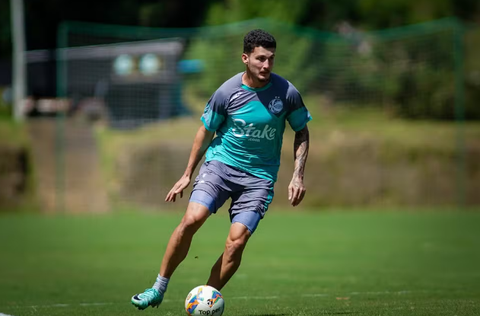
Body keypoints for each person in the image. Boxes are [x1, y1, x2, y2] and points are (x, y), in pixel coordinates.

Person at [131, 29, 311, 310]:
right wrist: (187, 173)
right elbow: (204, 132)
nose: (266, 65)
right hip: (221, 166)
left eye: (271, 59)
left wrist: (297, 175)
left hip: (259, 179)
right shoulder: (226, 92)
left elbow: (302, 131)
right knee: (192, 219)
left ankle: (205, 301)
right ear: (245, 58)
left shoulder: (287, 93)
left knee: (236, 243)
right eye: (260, 59)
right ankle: (157, 288)